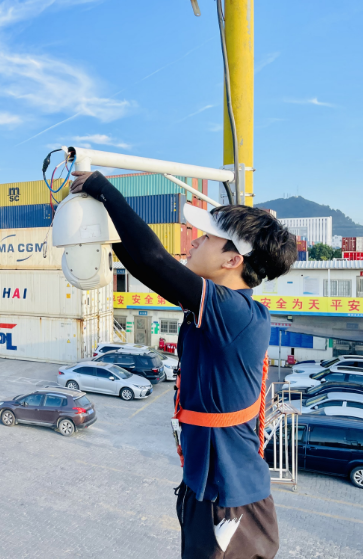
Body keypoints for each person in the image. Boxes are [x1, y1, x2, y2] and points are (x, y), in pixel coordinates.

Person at [70, 170, 297, 559]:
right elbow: (148, 268)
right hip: (210, 492)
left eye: (206, 237)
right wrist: (101, 220)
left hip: (231, 503)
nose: (194, 241)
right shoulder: (221, 310)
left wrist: (101, 188)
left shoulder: (234, 312)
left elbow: (154, 260)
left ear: (233, 260)